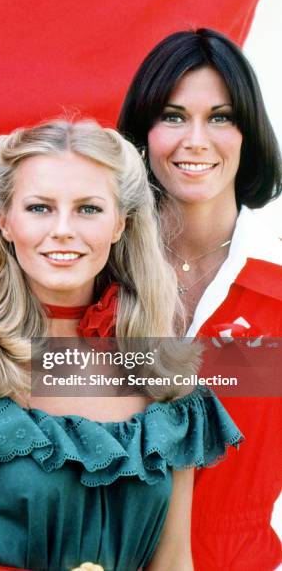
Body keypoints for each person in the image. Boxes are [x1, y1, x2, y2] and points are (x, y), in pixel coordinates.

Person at [0, 119, 242, 571]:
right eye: (40, 208)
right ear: (4, 221)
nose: (63, 229)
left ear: (121, 223)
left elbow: (176, 562)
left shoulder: (164, 376)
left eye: (88, 209)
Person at [118, 28, 282, 570]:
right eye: (171, 115)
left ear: (249, 131)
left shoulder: (278, 274)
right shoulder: (93, 270)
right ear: (141, 133)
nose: (196, 139)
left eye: (220, 116)